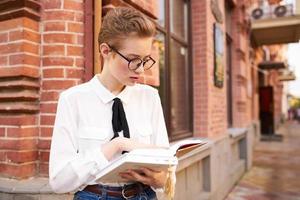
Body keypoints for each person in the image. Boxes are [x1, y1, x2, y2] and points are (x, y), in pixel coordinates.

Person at [49, 6, 171, 200]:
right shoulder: (73, 100)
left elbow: (166, 165)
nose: (141, 70)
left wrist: (159, 179)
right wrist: (115, 145)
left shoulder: (150, 98)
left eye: (145, 60)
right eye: (133, 60)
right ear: (106, 51)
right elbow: (59, 180)